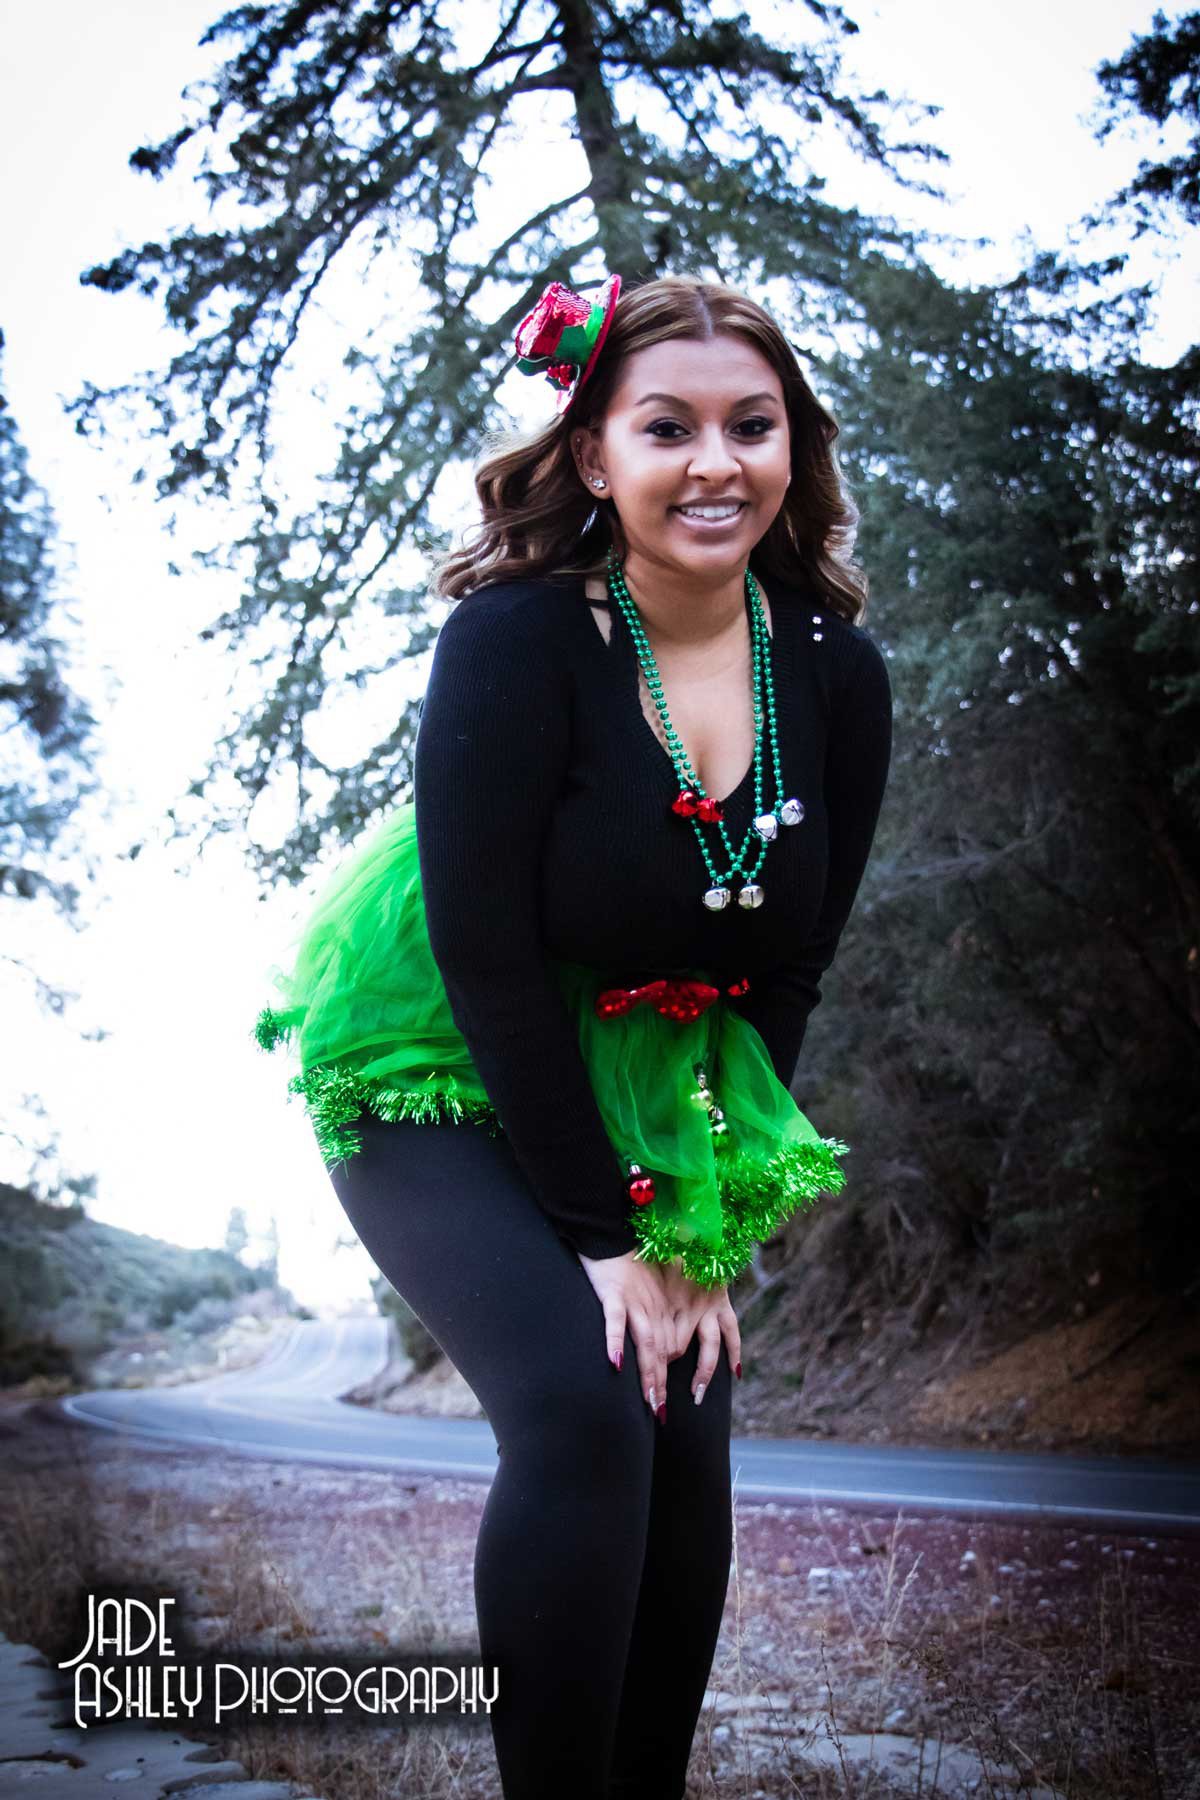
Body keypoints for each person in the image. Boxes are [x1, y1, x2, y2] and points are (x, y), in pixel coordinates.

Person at [254, 270, 892, 1799]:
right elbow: (478, 948)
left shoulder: (836, 675)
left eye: (755, 425)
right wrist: (610, 1237)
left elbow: (786, 973)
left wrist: (705, 1220)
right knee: (583, 1399)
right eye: (666, 426)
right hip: (435, 1065)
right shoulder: (521, 641)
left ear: (794, 448)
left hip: (652, 1072)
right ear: (594, 454)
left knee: (683, 1404)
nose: (714, 462)